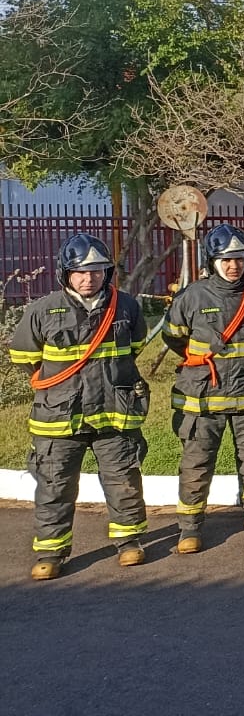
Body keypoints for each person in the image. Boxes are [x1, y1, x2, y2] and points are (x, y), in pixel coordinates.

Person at [9, 234, 149, 580]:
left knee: (123, 480)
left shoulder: (126, 306)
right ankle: (51, 553)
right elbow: (25, 357)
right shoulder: (43, 310)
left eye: (97, 271)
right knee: (55, 485)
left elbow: (135, 346)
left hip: (114, 413)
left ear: (107, 273)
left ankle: (128, 542)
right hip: (59, 417)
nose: (89, 278)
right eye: (81, 272)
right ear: (66, 273)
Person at [164, 223, 244, 551]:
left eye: (240, 259)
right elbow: (174, 337)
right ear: (212, 261)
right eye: (226, 260)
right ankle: (190, 527)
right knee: (197, 463)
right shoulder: (192, 297)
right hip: (204, 398)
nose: (234, 265)